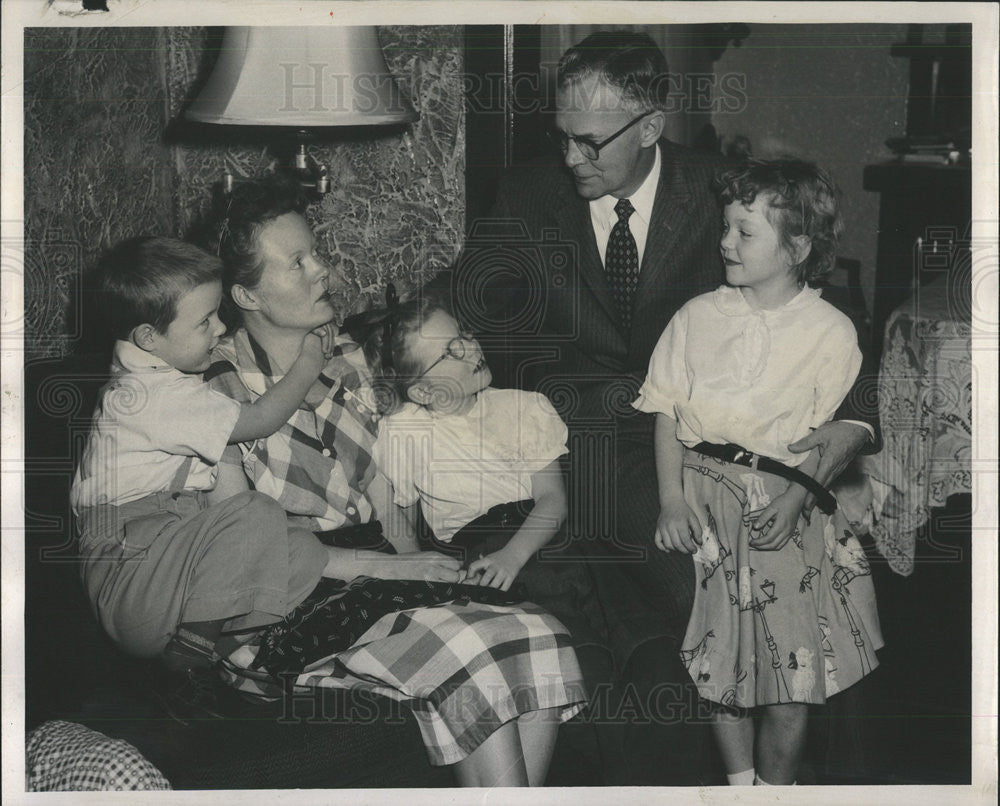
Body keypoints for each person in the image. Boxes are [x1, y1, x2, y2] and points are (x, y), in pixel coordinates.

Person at [451, 30, 880, 784]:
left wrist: (847, 433)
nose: (571, 159)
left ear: (650, 127)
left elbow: (827, 324)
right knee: (692, 592)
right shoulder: (527, 195)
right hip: (581, 443)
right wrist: (369, 346)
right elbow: (460, 300)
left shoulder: (718, 190)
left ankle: (785, 768)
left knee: (743, 589)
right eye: (562, 138)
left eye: (589, 142)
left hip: (701, 444)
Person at [203, 174, 587, 787]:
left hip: (377, 579)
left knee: (538, 633)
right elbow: (250, 550)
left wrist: (421, 567)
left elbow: (388, 488)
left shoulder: (348, 360)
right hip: (287, 601)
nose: (322, 271)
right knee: (476, 655)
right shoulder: (218, 390)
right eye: (297, 263)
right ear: (247, 296)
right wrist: (397, 571)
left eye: (316, 252)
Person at [636, 159, 883, 785]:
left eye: (745, 232)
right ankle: (738, 787)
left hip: (783, 510)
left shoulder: (830, 331)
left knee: (791, 675)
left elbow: (832, 440)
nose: (725, 242)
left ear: (797, 246)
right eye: (725, 226)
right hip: (704, 500)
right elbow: (666, 412)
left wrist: (798, 500)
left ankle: (779, 791)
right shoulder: (696, 316)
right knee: (720, 661)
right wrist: (670, 499)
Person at [70, 236, 330, 723]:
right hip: (131, 572)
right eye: (205, 320)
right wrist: (308, 364)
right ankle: (190, 661)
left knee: (302, 552)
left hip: (165, 581)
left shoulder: (162, 380)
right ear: (149, 338)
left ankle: (190, 661)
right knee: (257, 514)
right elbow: (257, 421)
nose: (220, 326)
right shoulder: (147, 392)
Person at [359, 290, 569, 593]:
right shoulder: (405, 429)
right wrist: (418, 572)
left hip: (539, 538)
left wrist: (513, 556)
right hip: (475, 553)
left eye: (465, 335)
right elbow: (403, 514)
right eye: (452, 351)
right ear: (424, 392)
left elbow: (554, 500)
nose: (472, 348)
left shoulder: (524, 407)